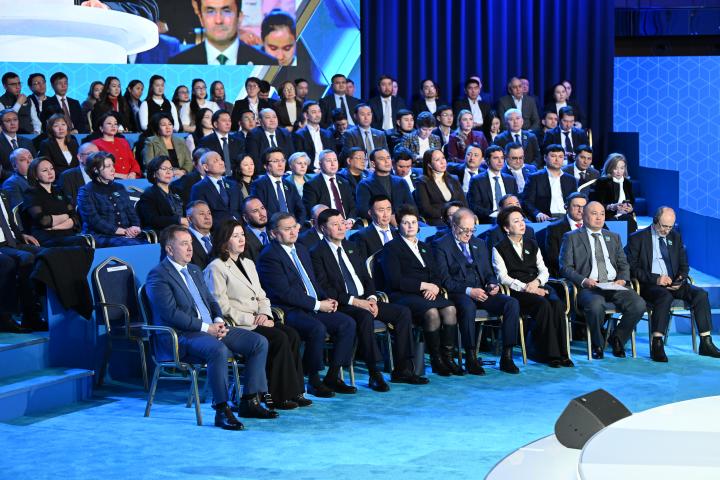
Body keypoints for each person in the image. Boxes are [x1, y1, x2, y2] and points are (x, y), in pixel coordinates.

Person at [145, 225, 273, 430]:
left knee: (258, 342)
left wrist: (218, 320)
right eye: (184, 244)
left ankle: (249, 401)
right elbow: (171, 315)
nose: (190, 248)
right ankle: (222, 409)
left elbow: (211, 301)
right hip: (181, 335)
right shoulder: (158, 275)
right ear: (169, 249)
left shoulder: (194, 270)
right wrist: (207, 328)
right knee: (218, 349)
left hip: (211, 329)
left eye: (190, 243)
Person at [311, 208, 427, 389]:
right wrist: (357, 302)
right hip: (343, 304)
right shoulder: (317, 253)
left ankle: (402, 369)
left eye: (342, 223)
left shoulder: (351, 246)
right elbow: (325, 289)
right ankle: (374, 372)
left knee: (402, 312)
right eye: (335, 225)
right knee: (364, 316)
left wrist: (372, 298)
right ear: (323, 228)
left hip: (366, 300)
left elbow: (366, 278)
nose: (341, 228)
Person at [205, 219, 311, 408]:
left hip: (259, 319)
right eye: (235, 236)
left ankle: (295, 391)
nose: (241, 239)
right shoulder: (216, 267)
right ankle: (278, 396)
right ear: (224, 241)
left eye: (242, 235)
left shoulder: (248, 263)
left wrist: (266, 315)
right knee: (279, 338)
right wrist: (254, 319)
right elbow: (221, 307)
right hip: (239, 324)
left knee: (292, 334)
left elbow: (262, 296)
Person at [257, 212, 358, 397]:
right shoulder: (269, 256)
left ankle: (333, 376)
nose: (293, 232)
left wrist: (326, 299)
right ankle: (313, 379)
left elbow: (312, 281)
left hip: (312, 305)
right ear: (273, 233)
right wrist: (318, 305)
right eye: (287, 229)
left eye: (295, 227)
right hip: (289, 309)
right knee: (316, 328)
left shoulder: (301, 249)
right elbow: (284, 293)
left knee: (347, 323)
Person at [433, 207, 522, 374]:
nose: (468, 234)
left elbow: (488, 272)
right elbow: (445, 280)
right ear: (454, 226)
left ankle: (507, 356)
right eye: (464, 230)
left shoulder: (479, 243)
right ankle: (471, 358)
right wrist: (469, 291)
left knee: (511, 303)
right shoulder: (441, 245)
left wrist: (492, 284)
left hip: (482, 291)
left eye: (472, 229)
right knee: (468, 306)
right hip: (459, 293)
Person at [626, 206, 720, 362]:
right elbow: (632, 268)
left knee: (701, 294)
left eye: (670, 227)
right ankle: (657, 343)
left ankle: (706, 342)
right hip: (650, 285)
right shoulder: (638, 238)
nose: (667, 230)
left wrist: (680, 279)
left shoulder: (675, 237)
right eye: (664, 226)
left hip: (673, 283)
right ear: (655, 220)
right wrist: (656, 279)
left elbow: (684, 265)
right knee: (664, 296)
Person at [379, 204, 461, 376]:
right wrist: (424, 286)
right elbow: (395, 280)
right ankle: (436, 359)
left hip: (427, 293)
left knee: (450, 309)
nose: (410, 226)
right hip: (403, 294)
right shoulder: (391, 248)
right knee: (432, 312)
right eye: (406, 223)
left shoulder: (425, 247)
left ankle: (448, 357)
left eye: (414, 222)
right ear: (398, 225)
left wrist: (435, 287)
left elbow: (436, 274)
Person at [559, 201, 646, 359]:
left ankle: (617, 339)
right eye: (594, 214)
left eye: (602, 214)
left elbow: (623, 264)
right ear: (584, 215)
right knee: (595, 305)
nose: (599, 218)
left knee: (638, 304)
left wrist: (623, 279)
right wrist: (584, 280)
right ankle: (597, 344)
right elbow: (565, 267)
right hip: (589, 287)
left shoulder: (613, 237)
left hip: (613, 284)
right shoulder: (571, 237)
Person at [492, 206, 572, 367]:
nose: (522, 224)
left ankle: (563, 353)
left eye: (522, 220)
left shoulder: (532, 244)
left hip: (537, 284)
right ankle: (546, 354)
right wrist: (526, 288)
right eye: (516, 221)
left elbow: (544, 270)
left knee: (557, 304)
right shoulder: (499, 248)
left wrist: (536, 283)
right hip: (517, 291)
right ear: (506, 228)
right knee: (542, 305)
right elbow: (503, 277)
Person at [169, 0, 275, 65]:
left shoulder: (266, 63)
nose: (218, 20)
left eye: (226, 11)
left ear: (239, 17)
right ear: (201, 18)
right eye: (210, 11)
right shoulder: (178, 63)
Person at [76, 152, 147, 247]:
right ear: (95, 170)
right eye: (108, 166)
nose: (113, 169)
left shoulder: (119, 187)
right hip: (101, 235)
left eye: (113, 165)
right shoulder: (86, 191)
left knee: (149, 245)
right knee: (133, 245)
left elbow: (131, 212)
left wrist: (135, 227)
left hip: (127, 233)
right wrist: (123, 231)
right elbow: (94, 221)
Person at [22, 157, 84, 247]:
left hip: (67, 234)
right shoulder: (31, 193)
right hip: (46, 238)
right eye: (44, 170)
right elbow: (43, 221)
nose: (50, 172)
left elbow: (74, 218)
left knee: (84, 240)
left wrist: (55, 226)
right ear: (35, 175)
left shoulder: (59, 190)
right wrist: (65, 216)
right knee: (81, 242)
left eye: (51, 169)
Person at [356, 147, 414, 223]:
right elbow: (363, 211)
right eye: (382, 159)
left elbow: (411, 206)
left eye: (388, 158)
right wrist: (388, 218)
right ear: (373, 163)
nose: (387, 162)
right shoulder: (365, 184)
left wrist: (401, 218)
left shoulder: (401, 182)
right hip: (379, 223)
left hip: (403, 222)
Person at [522, 144, 577, 222]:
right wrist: (537, 213)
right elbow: (526, 202)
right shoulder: (534, 178)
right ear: (545, 157)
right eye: (553, 156)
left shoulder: (571, 179)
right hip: (546, 218)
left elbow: (575, 201)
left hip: (567, 218)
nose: (557, 160)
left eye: (560, 157)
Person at [250, 147, 305, 223]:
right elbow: (261, 211)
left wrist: (299, 224)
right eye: (276, 161)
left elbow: (301, 209)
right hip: (272, 226)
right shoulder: (259, 185)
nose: (280, 165)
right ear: (266, 166)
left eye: (282, 160)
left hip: (293, 226)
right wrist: (280, 224)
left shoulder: (289, 185)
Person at [414, 148, 466, 226]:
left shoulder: (454, 179)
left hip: (457, 218)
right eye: (437, 160)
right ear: (429, 164)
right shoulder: (422, 182)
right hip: (437, 220)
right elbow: (426, 209)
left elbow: (463, 203)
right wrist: (447, 214)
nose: (442, 162)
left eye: (443, 158)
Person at [467, 145, 518, 224]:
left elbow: (516, 201)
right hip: (489, 219)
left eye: (502, 158)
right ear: (487, 161)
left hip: (511, 218)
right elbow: (474, 207)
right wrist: (495, 214)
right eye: (495, 158)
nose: (500, 161)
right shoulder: (477, 181)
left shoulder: (510, 180)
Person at [302, 149, 356, 221]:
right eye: (328, 161)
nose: (333, 164)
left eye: (335, 160)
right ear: (320, 164)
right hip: (327, 224)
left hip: (347, 223)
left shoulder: (344, 182)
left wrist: (351, 220)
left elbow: (353, 207)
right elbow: (312, 211)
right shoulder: (312, 185)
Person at [589, 153, 637, 233]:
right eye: (615, 168)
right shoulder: (603, 182)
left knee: (630, 222)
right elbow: (596, 204)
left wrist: (630, 208)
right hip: (608, 217)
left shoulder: (627, 183)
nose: (619, 171)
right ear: (610, 168)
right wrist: (612, 207)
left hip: (625, 217)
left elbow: (632, 202)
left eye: (622, 168)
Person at [543, 192, 589, 278]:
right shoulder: (554, 228)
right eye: (576, 206)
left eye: (584, 207)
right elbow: (553, 258)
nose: (580, 210)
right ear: (566, 207)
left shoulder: (595, 225)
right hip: (569, 275)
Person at [137, 156, 188, 231]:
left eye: (170, 169)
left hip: (184, 229)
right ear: (154, 173)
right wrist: (178, 220)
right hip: (165, 232)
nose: (168, 172)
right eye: (164, 169)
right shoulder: (148, 195)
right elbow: (152, 219)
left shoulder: (177, 191)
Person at [189, 151, 242, 223]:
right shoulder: (199, 188)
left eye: (221, 159)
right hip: (217, 228)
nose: (221, 163)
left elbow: (241, 209)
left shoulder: (233, 184)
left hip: (239, 226)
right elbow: (201, 215)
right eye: (216, 161)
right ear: (206, 167)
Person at [90, 112, 142, 179]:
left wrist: (133, 173)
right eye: (109, 123)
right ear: (101, 128)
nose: (113, 126)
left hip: (130, 178)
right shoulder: (95, 144)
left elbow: (133, 162)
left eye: (115, 124)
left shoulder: (123, 141)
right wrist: (119, 175)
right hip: (110, 179)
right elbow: (97, 167)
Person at [197, 109, 246, 178]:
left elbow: (242, 161)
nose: (228, 123)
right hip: (215, 177)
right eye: (224, 120)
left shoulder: (239, 141)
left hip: (236, 178)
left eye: (229, 120)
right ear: (215, 124)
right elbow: (201, 163)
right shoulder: (205, 142)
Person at [349, 194, 397, 260]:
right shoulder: (360, 237)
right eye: (381, 210)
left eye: (388, 209)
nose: (386, 215)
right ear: (370, 213)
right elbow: (361, 263)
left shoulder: (398, 233)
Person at [293, 101, 336, 170]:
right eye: (314, 112)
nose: (318, 115)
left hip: (327, 170)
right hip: (309, 171)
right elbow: (299, 158)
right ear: (306, 115)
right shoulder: (299, 135)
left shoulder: (327, 134)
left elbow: (333, 154)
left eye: (319, 111)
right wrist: (314, 170)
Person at [0, 109, 36, 177]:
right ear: (1, 124)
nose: (12, 123)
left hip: (30, 178)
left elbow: (35, 162)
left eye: (15, 119)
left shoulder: (27, 141)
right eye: (8, 121)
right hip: (8, 180)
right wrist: (20, 178)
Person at [186, 200, 214, 269]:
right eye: (202, 214)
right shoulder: (184, 240)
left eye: (209, 213)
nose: (207, 217)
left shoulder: (218, 238)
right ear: (190, 219)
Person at [241, 195, 269, 263]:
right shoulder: (243, 240)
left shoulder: (275, 232)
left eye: (262, 208)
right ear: (246, 218)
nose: (261, 214)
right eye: (255, 211)